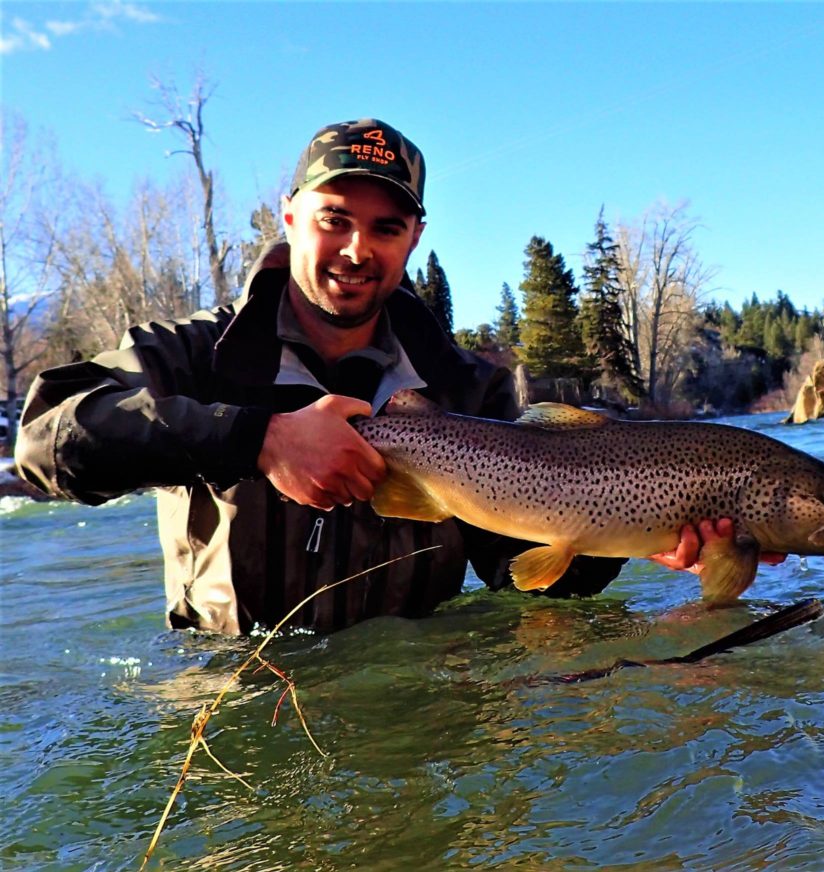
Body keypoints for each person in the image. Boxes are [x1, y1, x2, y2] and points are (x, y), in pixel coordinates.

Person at [16, 118, 781, 636]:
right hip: (231, 691)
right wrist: (259, 439)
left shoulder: (466, 392)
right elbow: (48, 443)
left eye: (385, 228)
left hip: (418, 704)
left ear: (415, 236)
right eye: (334, 219)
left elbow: (516, 575)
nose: (357, 249)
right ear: (288, 218)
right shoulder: (195, 355)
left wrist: (633, 538)